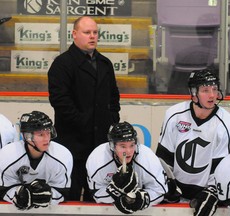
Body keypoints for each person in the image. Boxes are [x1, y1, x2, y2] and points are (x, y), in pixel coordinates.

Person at [48, 16, 120, 201]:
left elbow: (114, 98)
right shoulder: (62, 64)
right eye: (87, 32)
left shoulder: (105, 64)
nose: (92, 36)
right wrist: (83, 122)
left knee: (97, 195)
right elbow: (60, 101)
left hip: (101, 143)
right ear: (74, 34)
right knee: (69, 196)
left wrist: (110, 122)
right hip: (72, 142)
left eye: (95, 32)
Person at [155, 68, 230, 215]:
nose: (212, 95)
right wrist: (166, 185)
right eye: (205, 90)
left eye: (214, 89)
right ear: (193, 93)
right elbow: (164, 158)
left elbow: (222, 169)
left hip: (206, 196)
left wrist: (212, 193)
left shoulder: (228, 124)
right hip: (176, 192)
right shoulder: (174, 115)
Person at [86, 121, 168, 214]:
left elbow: (160, 190)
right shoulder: (98, 159)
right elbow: (96, 193)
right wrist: (114, 192)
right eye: (123, 146)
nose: (128, 151)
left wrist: (140, 200)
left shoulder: (147, 158)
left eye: (132, 145)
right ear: (113, 146)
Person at [0, 111, 73, 210]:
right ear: (27, 136)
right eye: (41, 134)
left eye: (48, 133)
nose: (47, 139)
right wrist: (18, 196)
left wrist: (49, 196)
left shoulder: (62, 156)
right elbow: (4, 189)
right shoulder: (8, 155)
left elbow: (62, 191)